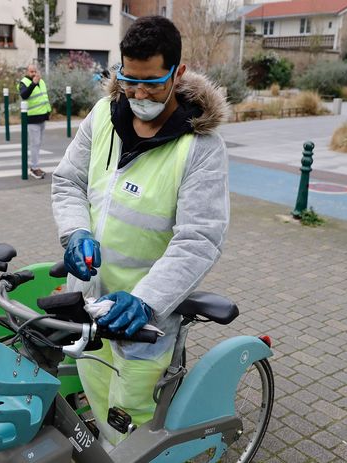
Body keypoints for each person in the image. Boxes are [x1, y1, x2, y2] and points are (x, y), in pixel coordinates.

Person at [51, 16, 230, 445]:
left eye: (152, 82)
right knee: (97, 402)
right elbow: (68, 181)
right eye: (128, 80)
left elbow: (199, 238)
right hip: (92, 305)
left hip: (143, 319)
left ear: (178, 73)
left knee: (132, 425)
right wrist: (75, 231)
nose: (138, 94)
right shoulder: (102, 117)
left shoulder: (200, 148)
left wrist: (146, 302)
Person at [18, 63, 52, 179]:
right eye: (31, 72)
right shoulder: (24, 82)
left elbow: (44, 98)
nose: (33, 74)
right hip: (32, 119)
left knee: (38, 144)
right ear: (27, 72)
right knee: (35, 144)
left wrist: (48, 112)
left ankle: (36, 166)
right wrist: (33, 83)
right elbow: (24, 95)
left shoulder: (41, 82)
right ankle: (34, 168)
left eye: (34, 71)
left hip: (42, 117)